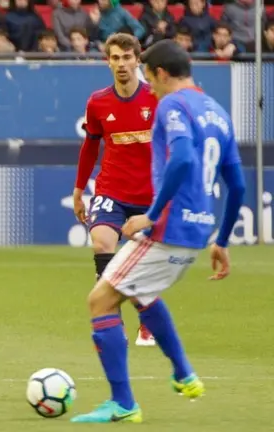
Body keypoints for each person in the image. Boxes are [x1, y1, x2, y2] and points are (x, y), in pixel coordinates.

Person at [71, 39, 246, 423]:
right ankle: (184, 374)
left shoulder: (170, 104)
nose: (148, 87)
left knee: (100, 301)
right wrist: (222, 240)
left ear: (161, 73)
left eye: (149, 77)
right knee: (142, 292)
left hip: (168, 225)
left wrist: (150, 215)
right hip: (197, 232)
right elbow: (238, 185)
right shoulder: (216, 111)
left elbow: (180, 157)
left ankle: (123, 404)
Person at [73, 32, 158, 347]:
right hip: (111, 190)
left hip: (149, 195)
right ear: (107, 62)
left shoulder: (156, 99)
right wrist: (79, 190)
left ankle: (147, 321)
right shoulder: (98, 102)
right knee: (101, 243)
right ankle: (112, 321)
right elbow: (90, 148)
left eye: (127, 57)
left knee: (142, 261)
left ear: (138, 60)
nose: (121, 64)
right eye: (115, 58)